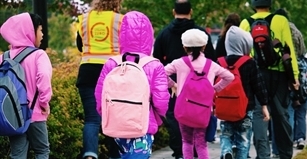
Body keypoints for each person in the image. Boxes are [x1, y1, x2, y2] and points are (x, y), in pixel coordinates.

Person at [95, 11, 170, 159]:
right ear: (149, 35)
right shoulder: (154, 65)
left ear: (122, 34)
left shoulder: (112, 63)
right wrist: (158, 117)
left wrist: (106, 115)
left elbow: (100, 95)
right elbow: (161, 100)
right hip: (143, 125)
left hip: (117, 124)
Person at [153, 0, 215, 158]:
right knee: (199, 112)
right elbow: (213, 59)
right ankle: (196, 148)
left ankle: (180, 149)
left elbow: (157, 61)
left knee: (175, 114)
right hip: (200, 84)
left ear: (174, 12)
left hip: (175, 84)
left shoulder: (164, 33)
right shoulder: (201, 34)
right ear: (191, 12)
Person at [239, 0, 299, 159]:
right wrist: (294, 77)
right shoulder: (281, 20)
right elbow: (289, 50)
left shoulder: (245, 23)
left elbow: (241, 53)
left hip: (255, 74)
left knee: (259, 116)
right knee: (281, 115)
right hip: (278, 75)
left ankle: (263, 155)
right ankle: (285, 154)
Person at [164, 28, 234, 159]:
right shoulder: (211, 65)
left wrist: (173, 84)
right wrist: (214, 88)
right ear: (204, 46)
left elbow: (161, 73)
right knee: (201, 143)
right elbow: (229, 77)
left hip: (183, 109)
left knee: (186, 141)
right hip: (203, 110)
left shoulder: (180, 63)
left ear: (184, 46)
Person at [0, 12, 53, 159]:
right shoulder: (39, 55)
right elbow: (43, 77)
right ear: (29, 31)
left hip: (14, 115)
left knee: (18, 154)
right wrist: (44, 102)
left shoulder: (4, 57)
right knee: (42, 151)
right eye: (40, 30)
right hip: (35, 113)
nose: (42, 34)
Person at [75, 0, 123, 158]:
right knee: (114, 119)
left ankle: (90, 155)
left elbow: (80, 45)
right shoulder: (120, 20)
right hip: (113, 71)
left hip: (88, 70)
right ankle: (115, 156)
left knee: (92, 119)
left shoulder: (84, 19)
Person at [218, 26, 270, 159]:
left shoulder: (220, 62)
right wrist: (264, 105)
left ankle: (226, 152)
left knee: (225, 135)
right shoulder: (249, 62)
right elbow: (259, 85)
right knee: (243, 140)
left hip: (224, 108)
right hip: (246, 108)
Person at [271, 8, 307, 154]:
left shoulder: (276, 30)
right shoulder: (296, 31)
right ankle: (300, 138)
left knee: (287, 111)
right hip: (300, 68)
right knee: (301, 108)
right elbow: (302, 50)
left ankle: (288, 139)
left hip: (283, 71)